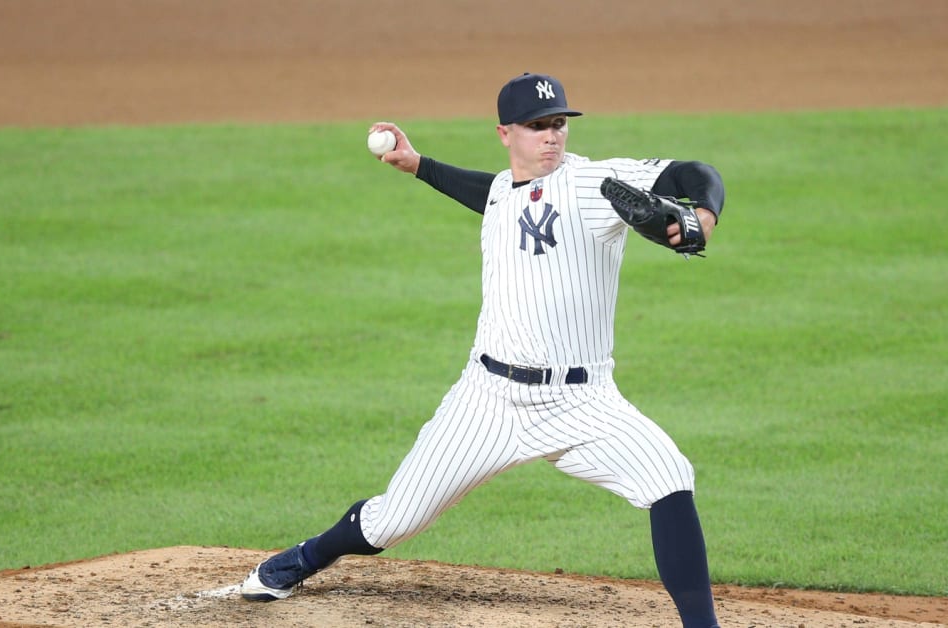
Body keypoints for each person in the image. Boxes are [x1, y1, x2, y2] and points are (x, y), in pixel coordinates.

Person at [239, 72, 726, 628]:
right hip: (488, 400)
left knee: (669, 477)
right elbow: (491, 193)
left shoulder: (595, 185)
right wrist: (418, 165)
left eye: (559, 124)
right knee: (393, 520)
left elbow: (696, 174)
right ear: (505, 134)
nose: (552, 137)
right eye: (537, 126)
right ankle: (306, 556)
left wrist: (703, 214)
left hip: (585, 403)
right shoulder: (501, 191)